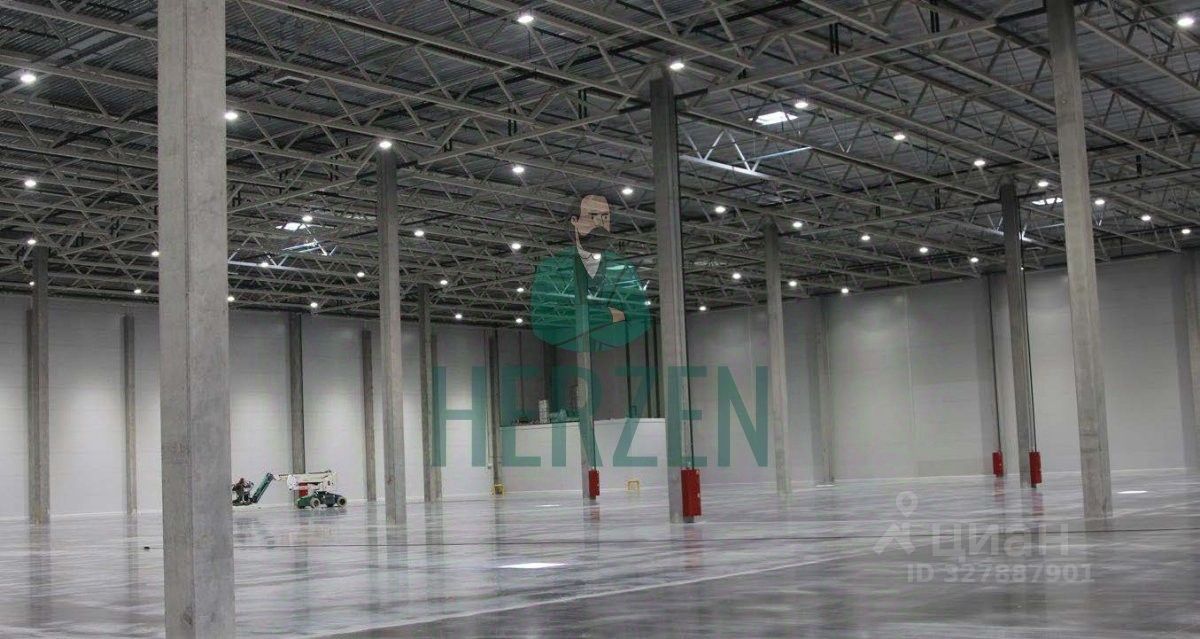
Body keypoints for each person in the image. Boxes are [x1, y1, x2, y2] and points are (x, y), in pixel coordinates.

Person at [532, 194, 650, 351]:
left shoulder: (624, 269)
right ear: (575, 221)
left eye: (605, 217)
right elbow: (542, 322)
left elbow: (639, 319)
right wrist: (607, 314)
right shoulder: (551, 268)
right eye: (592, 217)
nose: (599, 223)